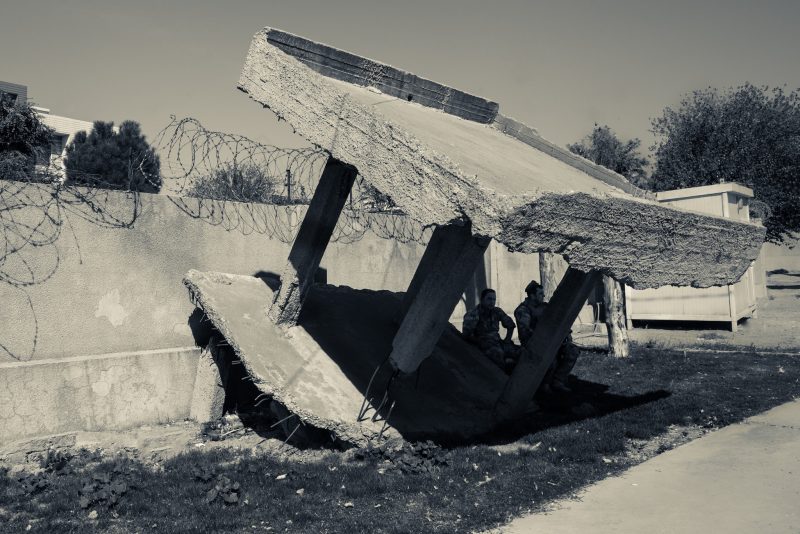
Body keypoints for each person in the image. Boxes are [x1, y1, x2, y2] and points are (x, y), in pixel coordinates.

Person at [514, 280, 579, 393]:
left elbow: (559, 320)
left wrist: (567, 333)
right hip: (533, 343)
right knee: (549, 356)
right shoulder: (523, 310)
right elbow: (526, 333)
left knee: (572, 350)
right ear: (532, 296)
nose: (543, 296)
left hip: (551, 341)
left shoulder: (545, 307)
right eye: (540, 294)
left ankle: (558, 380)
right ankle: (545, 384)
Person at [462, 288, 518, 372]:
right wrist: (480, 342)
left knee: (520, 352)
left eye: (494, 299)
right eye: (489, 299)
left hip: (498, 342)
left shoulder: (497, 311)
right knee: (499, 355)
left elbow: (511, 325)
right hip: (483, 344)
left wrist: (507, 340)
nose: (492, 302)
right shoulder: (473, 313)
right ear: (482, 300)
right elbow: (466, 335)